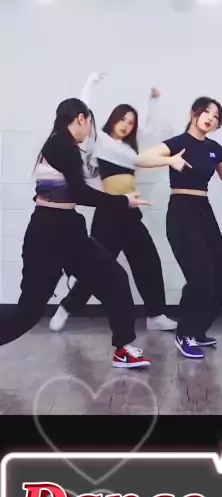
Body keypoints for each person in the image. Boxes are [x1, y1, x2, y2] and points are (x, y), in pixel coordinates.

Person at [0, 97, 188, 368]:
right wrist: (123, 201)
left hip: (69, 230)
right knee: (29, 312)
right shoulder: (60, 146)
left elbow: (80, 191)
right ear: (81, 119)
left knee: (116, 279)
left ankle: (123, 348)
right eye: (89, 123)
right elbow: (81, 193)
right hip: (47, 234)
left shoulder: (67, 146)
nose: (90, 131)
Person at [49, 73, 177, 333]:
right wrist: (90, 82)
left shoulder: (130, 150)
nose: (126, 125)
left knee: (148, 262)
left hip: (131, 213)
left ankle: (156, 314)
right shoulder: (99, 141)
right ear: (112, 119)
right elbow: (84, 110)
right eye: (122, 119)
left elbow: (151, 129)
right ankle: (67, 307)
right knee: (97, 266)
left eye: (131, 122)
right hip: (108, 214)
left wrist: (153, 101)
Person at [138, 97, 222, 359]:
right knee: (200, 276)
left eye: (216, 116)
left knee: (220, 277)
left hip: (204, 211)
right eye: (207, 112)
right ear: (194, 113)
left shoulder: (215, 148)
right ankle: (185, 333)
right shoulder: (178, 143)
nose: (211, 118)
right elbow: (142, 158)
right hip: (181, 212)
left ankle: (197, 330)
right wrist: (169, 161)